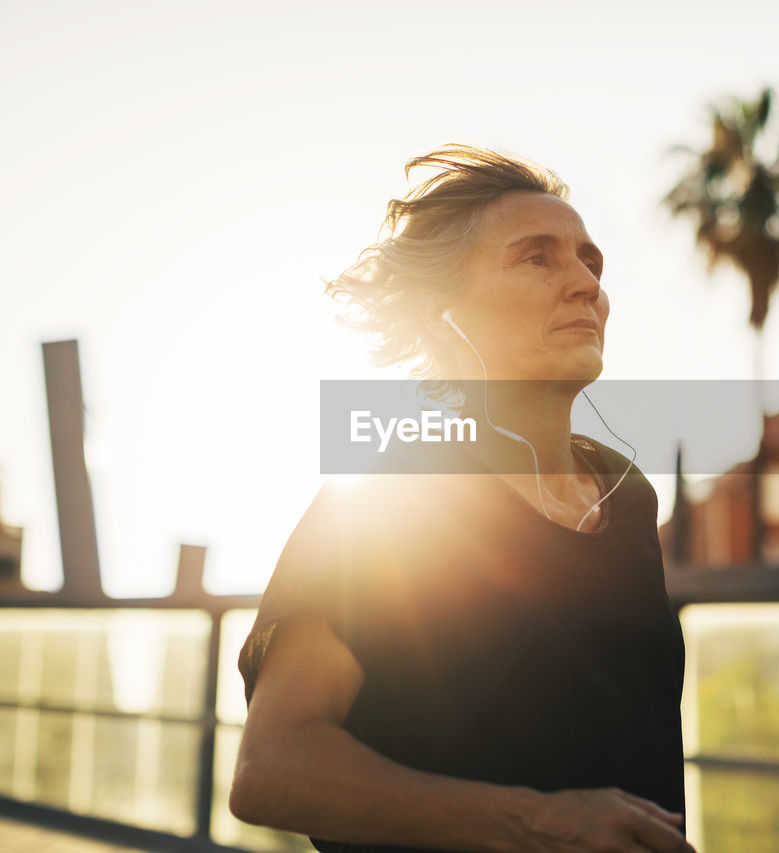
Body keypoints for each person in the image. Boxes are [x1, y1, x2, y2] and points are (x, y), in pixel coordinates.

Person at [229, 145, 693, 853]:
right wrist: (539, 822)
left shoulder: (628, 496)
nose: (585, 285)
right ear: (441, 313)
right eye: (537, 258)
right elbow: (272, 767)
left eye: (590, 261)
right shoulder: (394, 495)